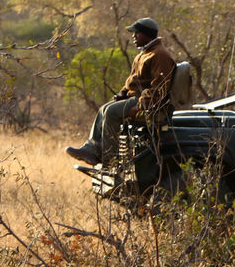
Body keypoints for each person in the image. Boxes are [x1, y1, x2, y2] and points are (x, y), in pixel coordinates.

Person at [66, 17, 176, 166]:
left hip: (148, 104)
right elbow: (132, 81)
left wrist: (140, 106)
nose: (133, 36)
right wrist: (122, 94)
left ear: (146, 34)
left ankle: (110, 159)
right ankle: (92, 149)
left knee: (111, 112)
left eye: (136, 33)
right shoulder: (144, 54)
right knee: (103, 109)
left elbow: (159, 88)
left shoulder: (160, 55)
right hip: (135, 97)